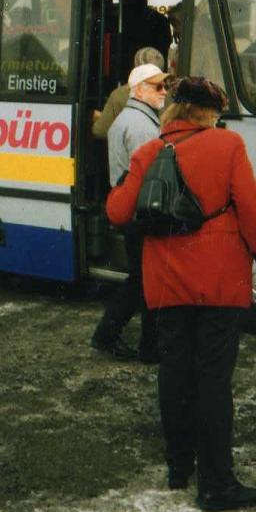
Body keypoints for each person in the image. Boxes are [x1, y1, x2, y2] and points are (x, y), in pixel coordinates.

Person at [106, 77, 256, 512]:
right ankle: (217, 484)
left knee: (174, 373)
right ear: (211, 113)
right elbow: (250, 208)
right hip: (218, 286)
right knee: (212, 380)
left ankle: (178, 467)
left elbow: (117, 211)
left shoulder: (149, 152)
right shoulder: (227, 146)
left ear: (173, 109)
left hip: (166, 286)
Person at [89, 62, 170, 362]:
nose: (163, 92)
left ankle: (113, 336)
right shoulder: (140, 126)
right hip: (140, 212)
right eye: (157, 86)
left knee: (141, 279)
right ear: (138, 90)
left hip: (132, 209)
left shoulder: (135, 118)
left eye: (164, 86)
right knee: (144, 280)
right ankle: (143, 346)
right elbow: (150, 174)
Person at [92, 47, 166, 139]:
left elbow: (100, 131)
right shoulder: (171, 95)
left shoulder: (120, 94)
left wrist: (100, 118)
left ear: (135, 66)